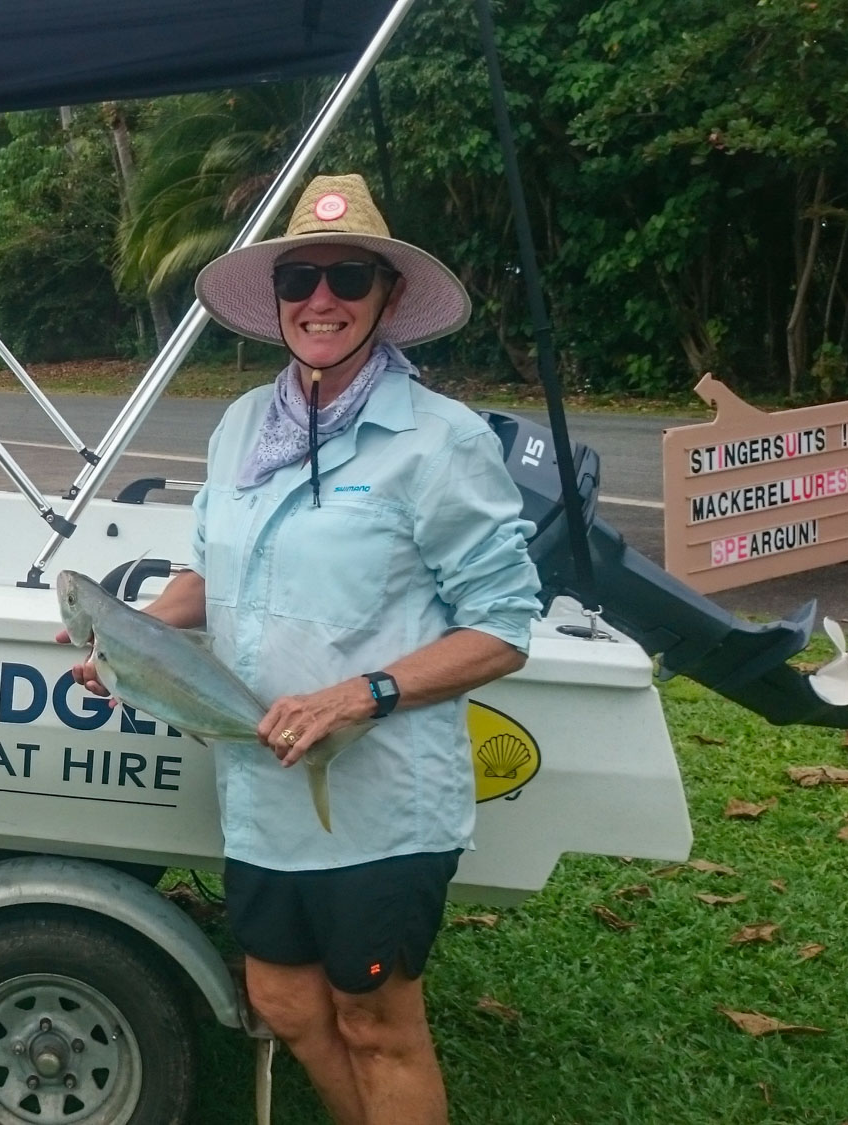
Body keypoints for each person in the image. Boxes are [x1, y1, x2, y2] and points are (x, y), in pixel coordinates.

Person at [64, 175, 541, 1124]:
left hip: (384, 799)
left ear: (388, 299)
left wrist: (359, 695)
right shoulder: (244, 424)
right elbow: (209, 574)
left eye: (348, 277)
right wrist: (135, 636)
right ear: (277, 299)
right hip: (262, 782)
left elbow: (503, 627)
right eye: (299, 279)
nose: (321, 299)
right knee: (284, 1001)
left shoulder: (440, 442)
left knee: (375, 1020)